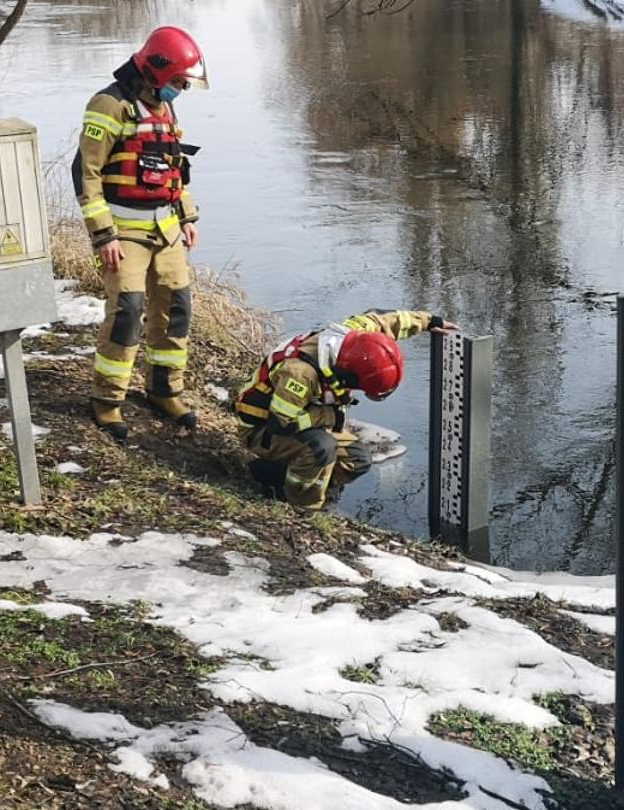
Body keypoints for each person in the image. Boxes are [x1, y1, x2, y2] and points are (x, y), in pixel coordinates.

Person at [72, 26, 208, 440]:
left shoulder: (164, 108)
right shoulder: (109, 105)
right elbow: (86, 173)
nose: (181, 89)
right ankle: (107, 399)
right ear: (157, 71)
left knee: (176, 306)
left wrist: (186, 217)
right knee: (127, 312)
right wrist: (103, 235)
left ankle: (164, 389)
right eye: (179, 81)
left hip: (165, 228)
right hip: (124, 232)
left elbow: (174, 169)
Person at [234, 309, 458, 509]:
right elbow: (282, 423)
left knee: (358, 460)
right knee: (321, 448)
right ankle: (301, 507)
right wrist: (330, 416)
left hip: (301, 417)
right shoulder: (300, 374)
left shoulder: (354, 337)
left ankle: (278, 472)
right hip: (262, 429)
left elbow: (386, 321)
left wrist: (429, 321)